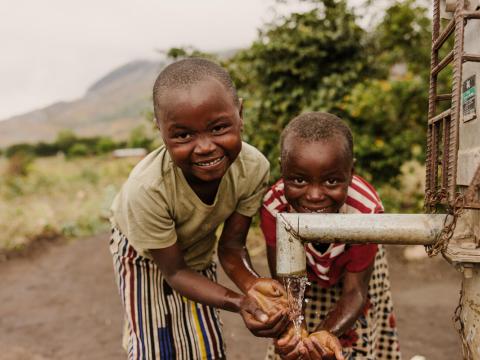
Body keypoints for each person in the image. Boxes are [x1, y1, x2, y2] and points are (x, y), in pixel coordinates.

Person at [109, 58, 290, 360]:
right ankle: (138, 329)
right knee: (157, 343)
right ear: (161, 131)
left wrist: (252, 286)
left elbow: (231, 248)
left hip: (197, 246)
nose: (205, 147)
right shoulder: (148, 188)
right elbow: (175, 271)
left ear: (240, 115)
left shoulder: (253, 168)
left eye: (218, 128)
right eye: (183, 135)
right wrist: (238, 302)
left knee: (206, 342)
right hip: (142, 256)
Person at [260, 112, 401, 359]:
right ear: (283, 170)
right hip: (302, 274)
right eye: (299, 180)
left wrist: (325, 333)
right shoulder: (275, 207)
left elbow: (355, 292)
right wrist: (299, 332)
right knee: (293, 344)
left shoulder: (365, 211)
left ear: (351, 172)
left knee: (353, 343)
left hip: (355, 276)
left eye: (332, 181)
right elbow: (288, 287)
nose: (314, 195)